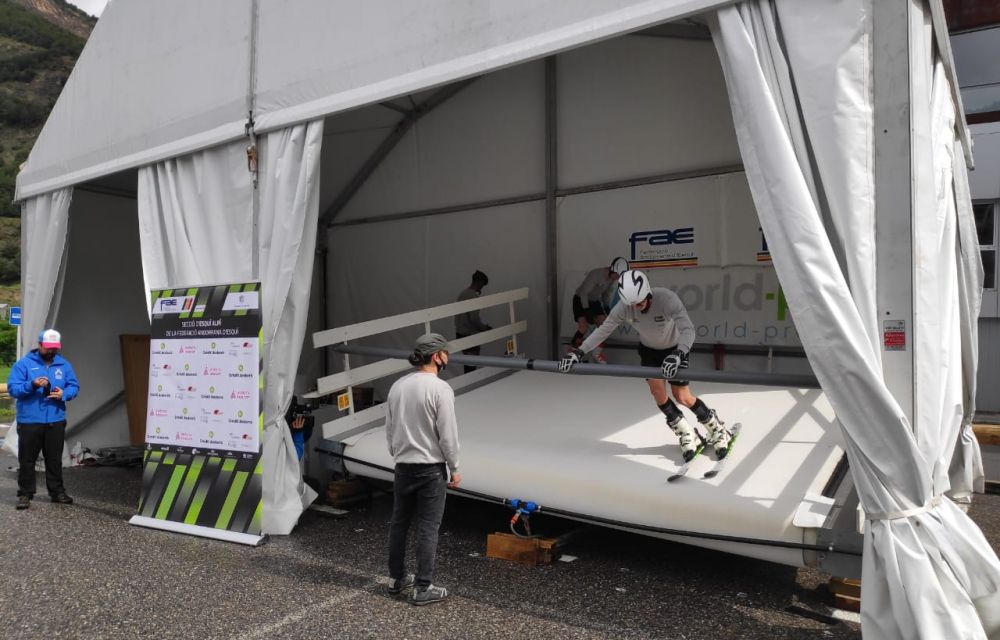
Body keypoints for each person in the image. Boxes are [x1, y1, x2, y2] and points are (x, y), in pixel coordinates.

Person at [559, 270, 731, 462]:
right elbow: (603, 330)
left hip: (675, 350)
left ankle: (717, 429)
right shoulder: (624, 307)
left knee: (682, 396)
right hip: (649, 351)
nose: (636, 307)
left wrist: (679, 353)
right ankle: (686, 432)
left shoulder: (667, 299)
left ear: (647, 292)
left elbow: (688, 330)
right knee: (658, 393)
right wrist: (579, 351)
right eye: (631, 304)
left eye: (639, 302)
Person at [384, 333, 461, 606]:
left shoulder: (398, 386)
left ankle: (396, 579)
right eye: (446, 352)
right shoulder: (441, 389)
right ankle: (423, 587)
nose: (448, 356)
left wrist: (397, 453)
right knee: (428, 528)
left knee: (399, 524)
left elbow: (390, 427)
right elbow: (447, 435)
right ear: (437, 356)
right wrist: (454, 466)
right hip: (430, 469)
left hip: (403, 466)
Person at [8, 329, 80, 510]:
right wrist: (32, 385)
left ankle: (57, 492)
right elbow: (13, 389)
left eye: (54, 348)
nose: (51, 351)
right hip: (29, 421)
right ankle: (25, 494)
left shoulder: (64, 365)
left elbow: (74, 386)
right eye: (48, 347)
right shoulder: (24, 364)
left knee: (54, 459)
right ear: (39, 344)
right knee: (27, 460)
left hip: (55, 419)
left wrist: (64, 394)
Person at [570, 257, 630, 363]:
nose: (617, 278)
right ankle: (573, 353)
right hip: (580, 299)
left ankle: (596, 352)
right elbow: (584, 293)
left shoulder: (612, 279)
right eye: (618, 275)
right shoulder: (596, 274)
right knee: (583, 327)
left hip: (594, 300)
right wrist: (586, 310)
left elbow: (606, 294)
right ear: (613, 270)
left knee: (605, 324)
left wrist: (607, 308)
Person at [454, 270, 491, 374]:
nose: (482, 288)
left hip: (460, 332)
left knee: (467, 363)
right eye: (482, 285)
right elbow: (474, 318)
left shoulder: (462, 294)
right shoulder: (473, 296)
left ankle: (467, 381)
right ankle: (470, 381)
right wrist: (484, 328)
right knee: (472, 364)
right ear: (479, 282)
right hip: (469, 333)